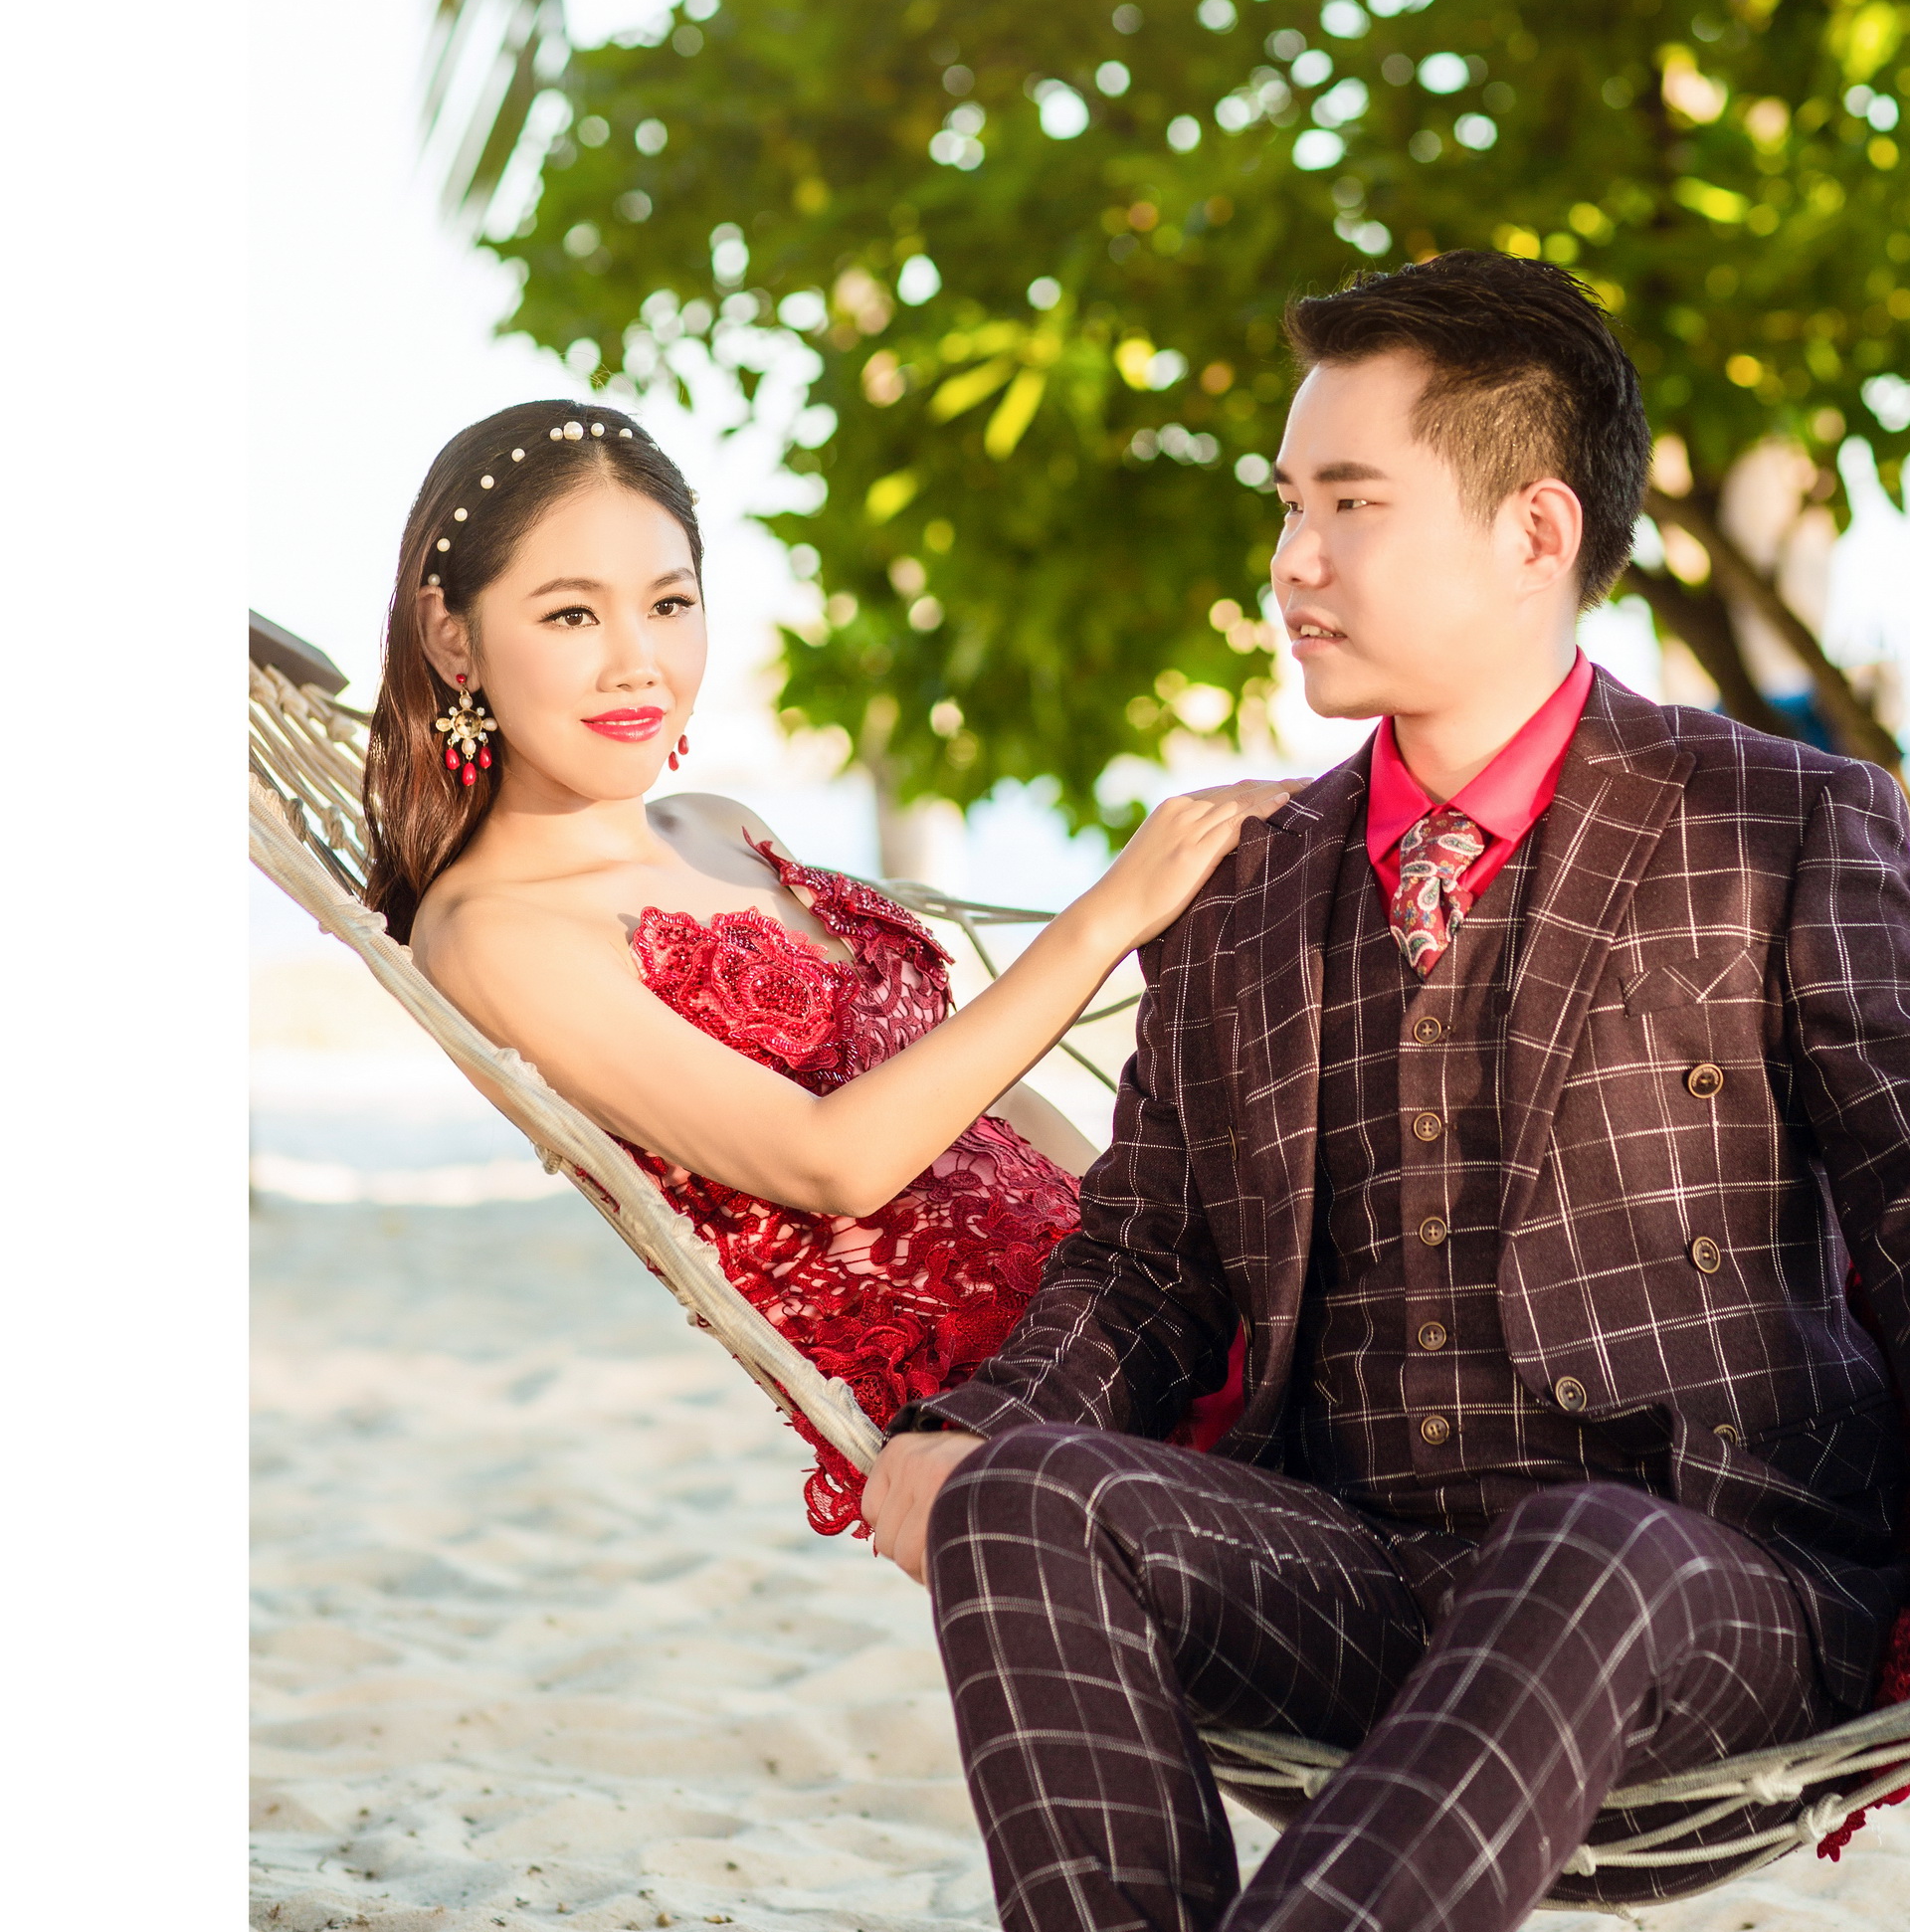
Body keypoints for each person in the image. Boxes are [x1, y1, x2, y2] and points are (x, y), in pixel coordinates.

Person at [860, 252, 1910, 1932]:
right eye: (1286, 507)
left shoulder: (1774, 821)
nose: (1290, 563)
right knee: (1018, 1498)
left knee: (1579, 1547)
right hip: (1357, 1576)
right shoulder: (1241, 888)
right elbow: (1150, 1259)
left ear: (1534, 528)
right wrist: (982, 1425)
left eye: (1349, 505)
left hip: (1706, 1581)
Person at [371, 403, 1294, 1518]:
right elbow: (831, 1163)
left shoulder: (717, 823)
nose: (637, 662)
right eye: (571, 613)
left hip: (1135, 1300)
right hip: (1033, 1406)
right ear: (451, 636)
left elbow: (986, 1097)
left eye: (669, 603)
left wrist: (1172, 1254)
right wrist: (1104, 919)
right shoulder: (493, 932)